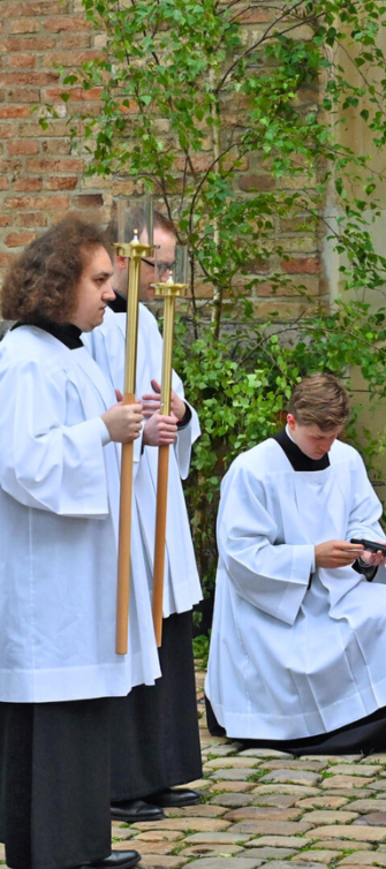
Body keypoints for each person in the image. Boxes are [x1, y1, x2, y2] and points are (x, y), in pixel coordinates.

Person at [0, 217, 155, 869]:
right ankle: (56, 850)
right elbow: (22, 461)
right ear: (59, 282)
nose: (111, 295)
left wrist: (135, 427)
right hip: (49, 576)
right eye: (99, 280)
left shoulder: (71, 354)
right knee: (55, 712)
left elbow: (102, 444)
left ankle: (80, 844)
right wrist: (102, 430)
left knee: (83, 709)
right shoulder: (25, 360)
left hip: (80, 568)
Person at [206, 374, 386, 755]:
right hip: (271, 604)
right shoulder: (252, 470)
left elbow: (362, 520)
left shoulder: (346, 460)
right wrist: (310, 557)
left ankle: (377, 723)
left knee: (384, 608)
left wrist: (367, 555)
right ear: (291, 421)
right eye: (317, 437)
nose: (326, 446)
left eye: (334, 435)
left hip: (335, 590)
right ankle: (286, 727)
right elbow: (241, 555)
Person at [82, 210, 204, 823]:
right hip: (119, 496)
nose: (163, 277)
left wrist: (178, 413)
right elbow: (93, 412)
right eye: (156, 265)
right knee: (126, 626)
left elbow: (170, 396)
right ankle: (120, 778)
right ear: (125, 256)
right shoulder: (93, 329)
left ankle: (161, 769)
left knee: (166, 626)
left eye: (170, 266)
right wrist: (134, 429)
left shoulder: (151, 321)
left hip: (157, 496)